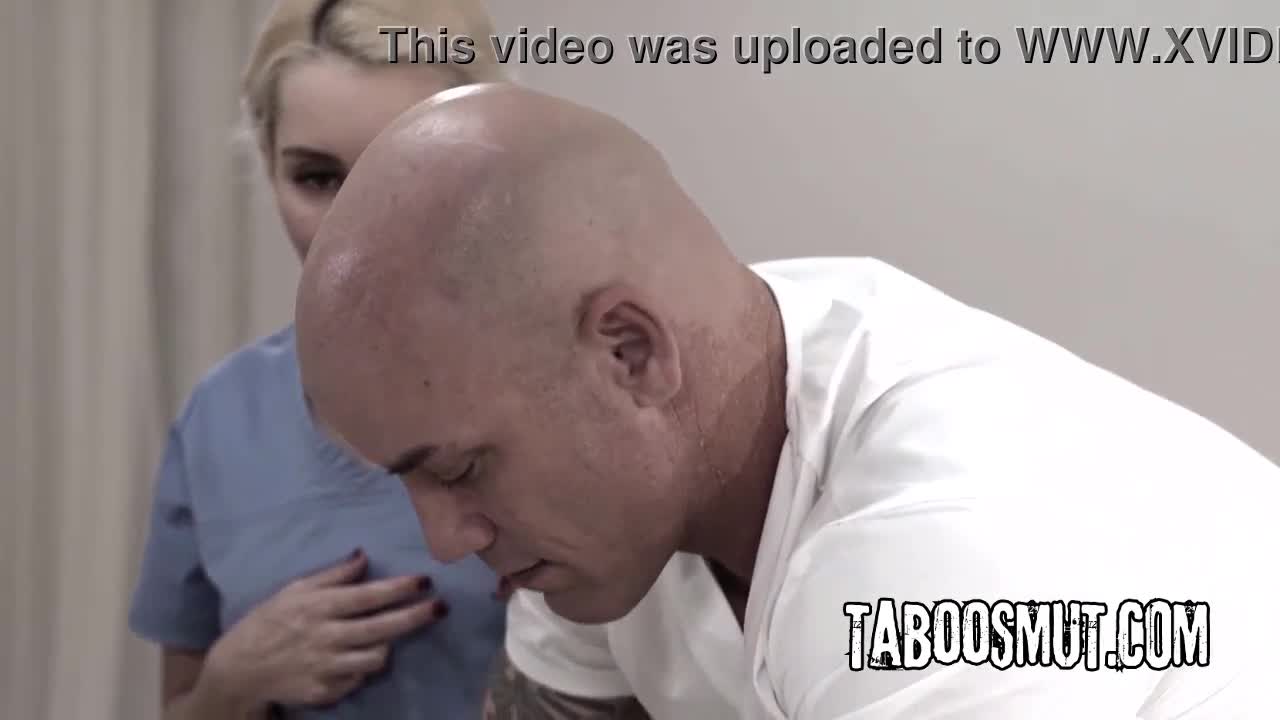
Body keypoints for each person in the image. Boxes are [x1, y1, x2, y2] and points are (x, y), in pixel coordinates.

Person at [292, 83, 1279, 719]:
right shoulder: (609, 511)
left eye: (461, 468)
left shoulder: (940, 557)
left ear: (632, 353)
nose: (446, 540)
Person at [127, 2, 512, 718]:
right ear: (267, 167)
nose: (356, 225)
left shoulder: (572, 403)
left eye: (407, 169)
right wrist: (232, 682)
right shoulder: (221, 420)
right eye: (317, 178)